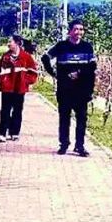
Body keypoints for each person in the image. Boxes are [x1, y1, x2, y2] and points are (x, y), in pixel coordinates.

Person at [43, 19, 97, 156]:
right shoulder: (61, 46)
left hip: (81, 90)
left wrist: (79, 74)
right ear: (70, 31)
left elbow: (92, 68)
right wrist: (54, 74)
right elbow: (45, 57)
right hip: (65, 90)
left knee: (82, 119)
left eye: (81, 29)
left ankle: (80, 146)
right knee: (64, 118)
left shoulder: (87, 47)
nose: (79, 32)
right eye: (76, 29)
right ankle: (64, 144)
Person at [0, 35, 39, 142]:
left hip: (20, 88)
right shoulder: (5, 57)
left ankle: (14, 132)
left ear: (17, 43)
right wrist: (1, 80)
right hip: (7, 88)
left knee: (17, 111)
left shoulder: (26, 57)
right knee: (5, 111)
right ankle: (1, 133)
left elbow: (33, 72)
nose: (8, 44)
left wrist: (26, 81)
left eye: (10, 42)